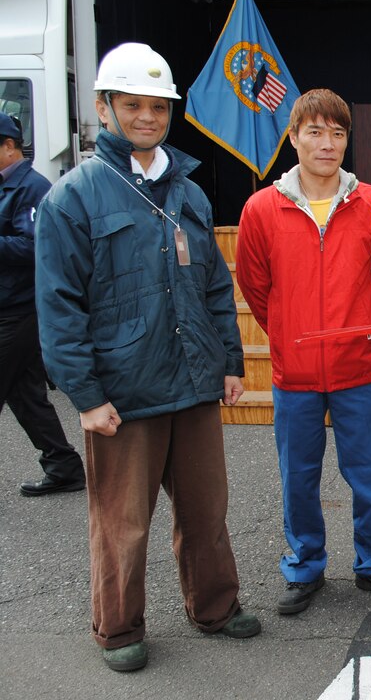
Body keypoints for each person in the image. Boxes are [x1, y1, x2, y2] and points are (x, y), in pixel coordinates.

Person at [34, 42, 259, 672]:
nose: (146, 117)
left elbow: (215, 285)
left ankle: (215, 608)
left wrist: (231, 362)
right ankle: (119, 630)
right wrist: (85, 396)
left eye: (158, 107)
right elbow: (59, 308)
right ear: (103, 108)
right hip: (122, 392)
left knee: (206, 511)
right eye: (131, 105)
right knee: (122, 524)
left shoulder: (187, 192)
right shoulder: (72, 198)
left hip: (192, 384)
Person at [235, 88, 371, 617]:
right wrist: (291, 334)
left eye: (337, 133)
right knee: (298, 477)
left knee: (370, 476)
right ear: (293, 137)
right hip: (294, 374)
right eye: (314, 131)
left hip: (357, 369)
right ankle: (305, 566)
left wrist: (362, 332)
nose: (327, 143)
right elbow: (255, 286)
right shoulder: (262, 209)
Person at [0, 112, 86, 496]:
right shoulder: (8, 186)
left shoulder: (31, 188)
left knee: (23, 390)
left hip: (19, 308)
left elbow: (37, 246)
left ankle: (64, 464)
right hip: (10, 305)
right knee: (24, 393)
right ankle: (63, 465)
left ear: (8, 146)